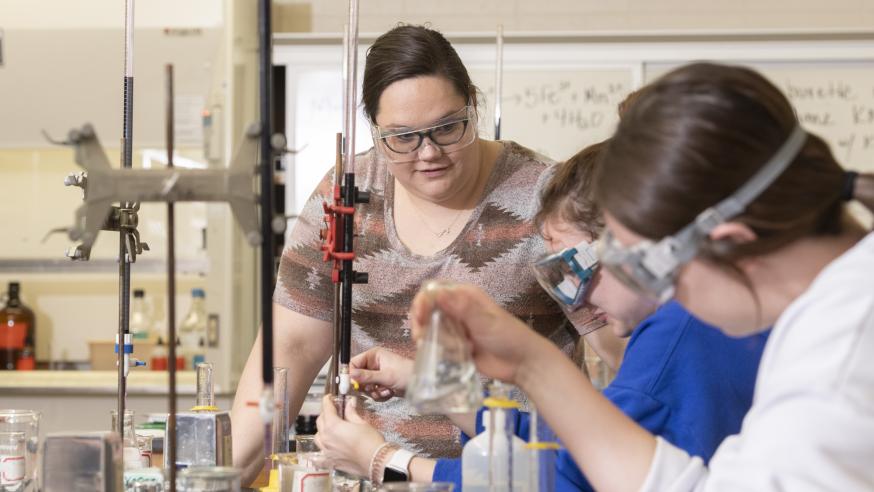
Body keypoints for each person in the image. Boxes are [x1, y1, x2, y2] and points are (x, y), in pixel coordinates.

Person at [407, 62, 874, 491]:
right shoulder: (830, 311)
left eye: (649, 269)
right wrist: (531, 363)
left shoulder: (842, 357)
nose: (663, 298)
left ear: (731, 242)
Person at [230, 24, 623, 483]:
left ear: (472, 105)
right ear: (375, 130)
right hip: (364, 475)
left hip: (507, 478)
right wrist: (224, 476)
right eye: (403, 137)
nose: (429, 152)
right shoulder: (345, 196)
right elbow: (288, 350)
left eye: (447, 128)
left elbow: (621, 349)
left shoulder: (544, 201)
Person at [314, 142, 769, 491]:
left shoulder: (674, 342)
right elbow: (566, 442)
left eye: (573, 268)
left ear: (631, 245)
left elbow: (558, 481)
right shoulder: (680, 325)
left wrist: (386, 461)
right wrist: (436, 386)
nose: (572, 298)